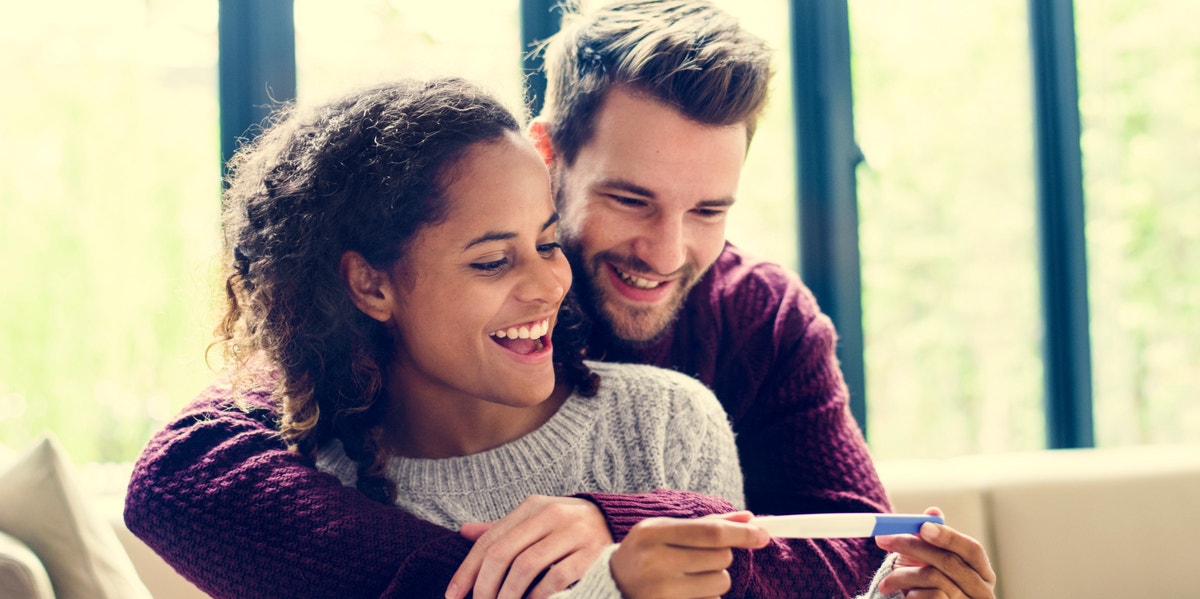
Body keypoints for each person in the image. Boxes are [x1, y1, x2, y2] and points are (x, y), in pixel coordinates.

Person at [125, 2, 996, 598]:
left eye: (708, 211)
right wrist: (542, 580)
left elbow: (849, 539)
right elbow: (183, 473)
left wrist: (616, 526)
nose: (665, 252)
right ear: (549, 155)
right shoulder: (430, 308)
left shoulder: (756, 319)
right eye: (630, 200)